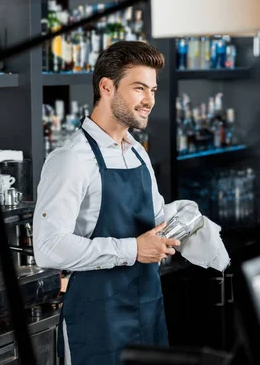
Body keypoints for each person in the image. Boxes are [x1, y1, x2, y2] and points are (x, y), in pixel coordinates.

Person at [33, 41, 192, 365]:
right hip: (98, 318)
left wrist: (187, 216)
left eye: (153, 90)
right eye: (139, 88)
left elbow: (155, 219)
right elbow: (47, 247)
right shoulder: (71, 158)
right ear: (107, 87)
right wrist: (132, 250)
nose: (149, 100)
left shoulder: (137, 152)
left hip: (147, 307)